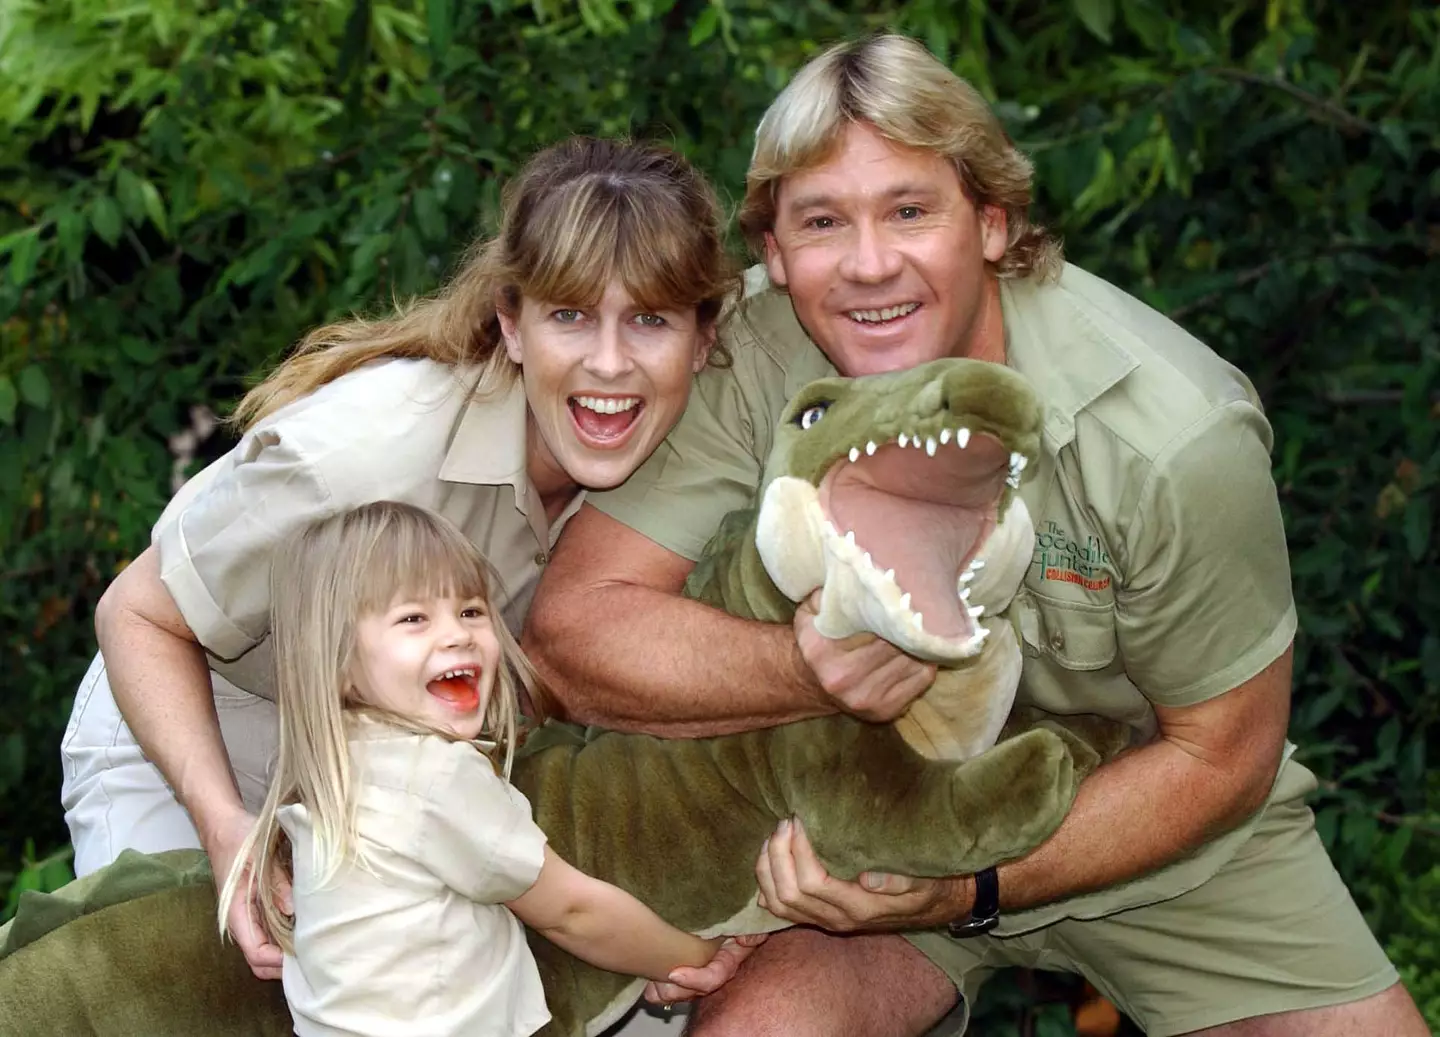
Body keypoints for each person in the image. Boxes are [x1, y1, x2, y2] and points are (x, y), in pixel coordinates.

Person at [524, 34, 1428, 1037]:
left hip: (1150, 824)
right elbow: (577, 627)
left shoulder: (1173, 437)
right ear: (775, 252)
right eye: (823, 222)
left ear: (994, 223)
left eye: (910, 210)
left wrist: (968, 885)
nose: (869, 266)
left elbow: (1224, 756)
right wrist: (808, 668)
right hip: (863, 808)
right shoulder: (754, 349)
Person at [60, 136, 752, 999]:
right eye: (570, 314)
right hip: (212, 721)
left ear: (703, 334)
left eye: (650, 318)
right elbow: (137, 613)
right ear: (510, 321)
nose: (609, 363)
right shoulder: (360, 458)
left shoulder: (684, 462)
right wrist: (225, 827)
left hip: (411, 782)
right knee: (192, 996)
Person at [216, 501, 743, 1036]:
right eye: (414, 619)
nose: (457, 634)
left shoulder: (339, 767)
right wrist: (700, 956)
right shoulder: (434, 776)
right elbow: (573, 911)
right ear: (340, 662)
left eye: (470, 611)